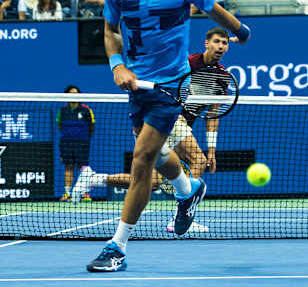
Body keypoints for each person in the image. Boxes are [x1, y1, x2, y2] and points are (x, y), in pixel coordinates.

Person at [84, 0, 249, 272]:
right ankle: (189, 190)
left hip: (172, 84)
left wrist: (240, 30)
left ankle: (117, 246)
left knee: (142, 159)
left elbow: (212, 9)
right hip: (137, 83)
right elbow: (110, 32)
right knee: (159, 156)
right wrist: (117, 65)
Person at [73, 26, 234, 233]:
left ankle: (94, 179)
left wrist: (211, 149)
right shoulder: (188, 63)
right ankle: (182, 215)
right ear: (206, 43)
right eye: (216, 41)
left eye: (225, 42)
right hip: (171, 117)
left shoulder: (222, 76)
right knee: (198, 160)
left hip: (178, 125)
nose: (220, 46)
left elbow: (213, 113)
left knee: (151, 183)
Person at [57, 85, 95, 202]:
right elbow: (59, 125)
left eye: (76, 93)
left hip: (82, 142)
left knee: (83, 168)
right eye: (71, 93)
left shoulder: (86, 109)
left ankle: (84, 193)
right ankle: (67, 193)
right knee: (68, 166)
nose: (74, 95)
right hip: (66, 142)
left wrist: (84, 137)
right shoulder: (63, 110)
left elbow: (91, 126)